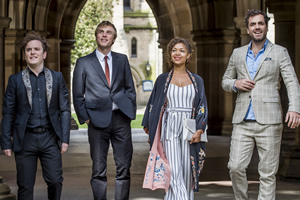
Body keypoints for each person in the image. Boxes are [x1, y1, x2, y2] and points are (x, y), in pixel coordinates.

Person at [222, 9, 300, 200]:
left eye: (260, 23)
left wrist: (294, 108)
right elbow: (225, 79)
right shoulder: (238, 53)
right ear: (248, 29)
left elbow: (291, 81)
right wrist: (235, 84)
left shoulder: (280, 52)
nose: (257, 27)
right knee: (235, 167)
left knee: (267, 173)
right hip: (242, 120)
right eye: (253, 24)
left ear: (266, 26)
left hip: (269, 121)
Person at [0, 31, 70, 200]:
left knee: (55, 181)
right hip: (25, 140)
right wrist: (5, 142)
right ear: (25, 55)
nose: (33, 52)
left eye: (36, 49)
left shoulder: (57, 78)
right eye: (29, 49)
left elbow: (64, 110)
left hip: (50, 138)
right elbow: (8, 111)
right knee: (25, 186)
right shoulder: (15, 80)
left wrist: (65, 138)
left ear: (44, 54)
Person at [72, 20, 136, 200]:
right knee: (98, 169)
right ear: (96, 36)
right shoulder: (83, 62)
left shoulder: (122, 59)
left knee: (124, 167)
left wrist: (129, 110)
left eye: (108, 32)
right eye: (101, 31)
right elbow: (78, 95)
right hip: (96, 121)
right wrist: (86, 118)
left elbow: (130, 88)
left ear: (114, 38)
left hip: (121, 119)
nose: (104, 34)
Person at [142, 37, 208, 200]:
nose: (177, 53)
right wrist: (148, 123)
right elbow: (153, 104)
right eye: (174, 50)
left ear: (188, 55)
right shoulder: (162, 80)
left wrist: (200, 129)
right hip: (169, 127)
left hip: (190, 129)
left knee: (187, 173)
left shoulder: (197, 80)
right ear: (169, 54)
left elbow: (202, 106)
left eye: (182, 50)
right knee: (174, 172)